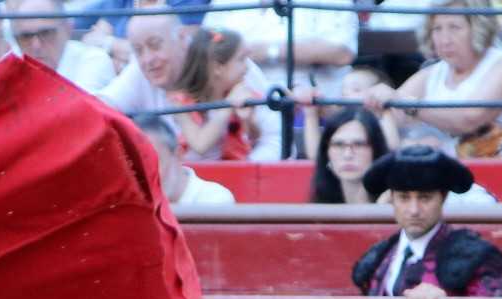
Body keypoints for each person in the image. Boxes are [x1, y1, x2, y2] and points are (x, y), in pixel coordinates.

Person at [352, 146, 502, 299]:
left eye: (425, 198)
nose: (414, 210)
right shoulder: (378, 257)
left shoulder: (478, 256)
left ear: (443, 198)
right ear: (392, 199)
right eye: (404, 198)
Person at [364, 0, 502, 159]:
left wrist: (408, 105)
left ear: (478, 28)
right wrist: (380, 99)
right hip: (449, 178)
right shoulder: (433, 73)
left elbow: (467, 119)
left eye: (454, 27)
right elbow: (394, 111)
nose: (445, 40)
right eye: (437, 29)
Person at [204, 0, 357, 99]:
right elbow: (206, 48)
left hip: (314, 107)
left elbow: (343, 53)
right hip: (242, 107)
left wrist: (271, 50)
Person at [169, 29, 275, 162]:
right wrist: (228, 106)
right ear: (218, 67)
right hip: (195, 176)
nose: (247, 68)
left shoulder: (239, 92)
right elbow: (200, 145)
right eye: (241, 59)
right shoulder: (179, 103)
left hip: (232, 172)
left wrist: (247, 120)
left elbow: (254, 137)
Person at [8, 0, 115, 92]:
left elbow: (77, 112)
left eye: (46, 33)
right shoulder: (9, 64)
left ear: (68, 29)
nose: (36, 45)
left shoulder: (93, 60)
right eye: (26, 36)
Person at [137, 114, 235, 206]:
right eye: (135, 167)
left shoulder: (214, 199)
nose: (145, 175)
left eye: (152, 164)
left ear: (178, 156)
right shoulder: (132, 202)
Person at [309, 108, 390, 205]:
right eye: (338, 144)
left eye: (359, 144)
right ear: (326, 152)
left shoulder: (392, 202)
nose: (348, 155)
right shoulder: (317, 209)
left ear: (376, 149)